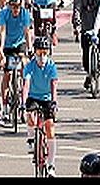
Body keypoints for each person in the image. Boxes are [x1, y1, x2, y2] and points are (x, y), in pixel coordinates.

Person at [22, 36, 58, 174]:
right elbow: (26, 85)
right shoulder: (30, 66)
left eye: (44, 52)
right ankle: (31, 138)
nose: (42, 56)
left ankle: (51, 165)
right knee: (30, 115)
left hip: (47, 98)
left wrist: (54, 102)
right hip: (33, 97)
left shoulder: (51, 66)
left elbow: (54, 84)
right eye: (39, 52)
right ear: (35, 52)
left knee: (50, 128)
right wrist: (23, 102)